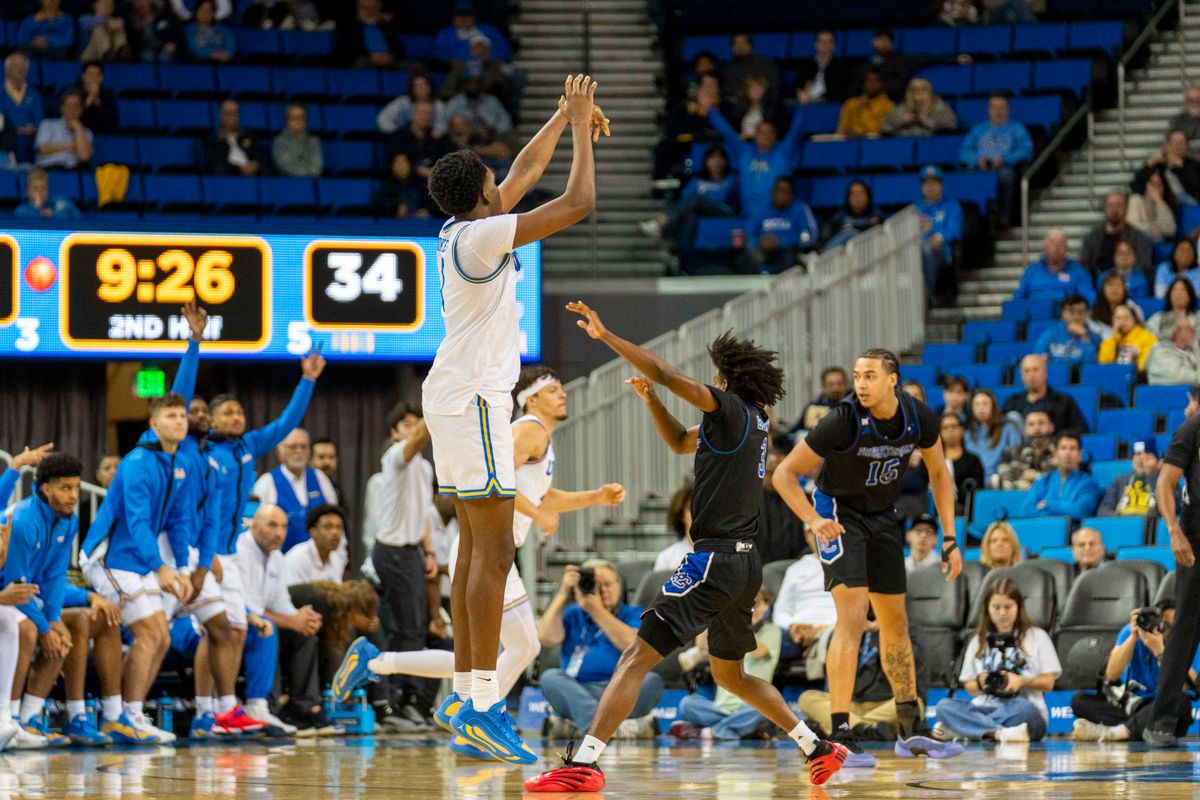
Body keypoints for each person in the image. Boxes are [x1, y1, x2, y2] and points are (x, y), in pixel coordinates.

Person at [525, 307, 846, 792]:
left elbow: (666, 371)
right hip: (743, 565)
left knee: (635, 655)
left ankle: (584, 764)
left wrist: (608, 332)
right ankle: (817, 749)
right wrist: (653, 400)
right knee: (732, 677)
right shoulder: (753, 422)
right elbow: (678, 441)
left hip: (713, 560)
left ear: (726, 377)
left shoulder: (730, 408)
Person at [419, 76, 608, 765]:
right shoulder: (479, 238)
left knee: (478, 550)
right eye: (496, 183)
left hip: (459, 396)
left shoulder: (465, 227)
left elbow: (526, 171)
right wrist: (584, 128)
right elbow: (578, 201)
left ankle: (472, 700)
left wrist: (561, 115)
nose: (508, 184)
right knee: (495, 554)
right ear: (484, 197)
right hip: (473, 398)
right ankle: (480, 704)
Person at [336, 370, 626, 741]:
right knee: (518, 648)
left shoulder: (539, 436)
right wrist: (537, 515)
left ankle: (382, 665)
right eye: (553, 389)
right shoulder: (529, 430)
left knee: (486, 657)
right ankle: (476, 719)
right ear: (531, 399)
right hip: (489, 552)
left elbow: (542, 495)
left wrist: (594, 497)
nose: (563, 394)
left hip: (496, 551)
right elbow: (496, 479)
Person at [772, 348, 964, 766]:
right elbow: (784, 474)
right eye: (857, 375)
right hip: (836, 514)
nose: (860, 383)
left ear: (892, 380)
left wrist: (950, 538)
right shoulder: (841, 419)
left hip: (882, 517)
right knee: (854, 616)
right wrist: (811, 519)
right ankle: (840, 731)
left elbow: (939, 477)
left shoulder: (919, 418)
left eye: (870, 375)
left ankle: (910, 727)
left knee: (896, 623)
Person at [78, 393, 195, 744]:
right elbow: (139, 521)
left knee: (161, 637)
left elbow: (178, 522)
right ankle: (122, 716)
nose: (179, 420)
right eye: (171, 415)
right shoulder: (138, 462)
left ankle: (129, 714)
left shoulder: (178, 463)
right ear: (154, 424)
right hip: (108, 556)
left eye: (182, 415)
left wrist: (184, 568)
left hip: (138, 561)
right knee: (150, 634)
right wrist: (161, 568)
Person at [2, 452, 98, 747]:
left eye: (75, 488)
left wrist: (54, 621)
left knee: (72, 626)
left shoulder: (69, 522)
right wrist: (44, 626)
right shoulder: (22, 522)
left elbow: (55, 576)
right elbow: (15, 585)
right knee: (28, 630)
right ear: (46, 488)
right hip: (9, 596)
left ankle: (31, 717)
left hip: (22, 599)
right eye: (65, 488)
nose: (72, 496)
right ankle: (11, 718)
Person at [535, 560, 663, 740]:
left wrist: (596, 610)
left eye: (608, 584)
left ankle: (585, 728)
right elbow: (546, 637)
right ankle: (609, 728)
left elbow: (632, 644)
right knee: (550, 678)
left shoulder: (633, 613)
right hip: (578, 690)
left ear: (620, 584)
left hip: (621, 690)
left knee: (651, 681)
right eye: (595, 585)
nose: (603, 591)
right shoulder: (573, 613)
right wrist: (563, 593)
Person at [235, 504, 333, 735]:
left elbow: (281, 602)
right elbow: (247, 607)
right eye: (272, 525)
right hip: (240, 622)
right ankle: (269, 706)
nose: (279, 533)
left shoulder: (277, 556)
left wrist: (303, 619)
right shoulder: (241, 550)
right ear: (254, 527)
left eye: (283, 527)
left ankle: (303, 708)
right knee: (269, 629)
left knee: (304, 634)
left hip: (259, 619)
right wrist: (292, 621)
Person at [934, 579, 1061, 742]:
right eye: (996, 607)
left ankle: (966, 730)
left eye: (1008, 607)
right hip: (983, 707)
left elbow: (1048, 683)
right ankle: (997, 733)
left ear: (1019, 607)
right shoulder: (978, 640)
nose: (1002, 613)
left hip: (1020, 708)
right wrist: (981, 682)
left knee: (1025, 709)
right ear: (987, 608)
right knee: (944, 706)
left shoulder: (1037, 636)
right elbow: (970, 687)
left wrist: (1022, 681)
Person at [1145, 396, 1200, 745]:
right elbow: (1164, 483)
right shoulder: (1192, 429)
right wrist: (1175, 531)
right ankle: (1160, 721)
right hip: (1196, 541)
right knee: (1184, 631)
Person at [1073, 599, 1200, 742]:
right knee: (1079, 700)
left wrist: (1161, 652)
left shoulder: (1187, 638)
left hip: (1163, 710)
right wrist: (1133, 637)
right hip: (1133, 705)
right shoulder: (1131, 631)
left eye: (1172, 627)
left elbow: (1186, 685)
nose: (1166, 631)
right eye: (1164, 625)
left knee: (1181, 701)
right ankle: (1134, 729)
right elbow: (1111, 674)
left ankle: (1116, 733)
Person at [671, 586, 780, 740]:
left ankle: (708, 732)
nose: (752, 609)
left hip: (752, 705)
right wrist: (715, 616)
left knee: (763, 709)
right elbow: (701, 644)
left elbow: (757, 652)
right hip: (720, 707)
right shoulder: (729, 628)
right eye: (748, 605)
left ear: (766, 606)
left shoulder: (773, 630)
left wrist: (739, 619)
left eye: (756, 604)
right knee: (687, 703)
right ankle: (735, 730)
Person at [705, 102, 805, 220]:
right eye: (761, 132)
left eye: (769, 132)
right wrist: (710, 110)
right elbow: (727, 132)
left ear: (775, 136)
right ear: (755, 135)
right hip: (748, 218)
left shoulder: (783, 153)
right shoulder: (744, 153)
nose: (765, 136)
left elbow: (796, 130)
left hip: (776, 218)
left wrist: (803, 105)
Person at [252, 428, 338, 554]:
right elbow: (258, 529)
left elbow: (335, 520)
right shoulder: (267, 482)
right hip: (282, 561)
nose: (299, 451)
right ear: (279, 452)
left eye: (303, 447)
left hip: (319, 562)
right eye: (293, 447)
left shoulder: (320, 478)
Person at [959, 93, 1033, 227]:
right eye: (994, 107)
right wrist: (977, 159)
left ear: (1008, 110)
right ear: (989, 110)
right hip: (980, 167)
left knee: (1006, 175)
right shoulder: (978, 129)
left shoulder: (1017, 129)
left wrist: (1005, 159)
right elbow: (964, 152)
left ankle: (1004, 216)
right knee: (968, 173)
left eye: (1002, 107)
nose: (998, 111)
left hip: (1004, 167)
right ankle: (974, 218)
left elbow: (1026, 150)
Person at [639, 145, 738, 245]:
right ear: (706, 161)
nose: (717, 162)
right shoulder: (698, 180)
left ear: (726, 161)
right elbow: (685, 198)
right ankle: (682, 251)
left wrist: (702, 199)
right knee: (689, 215)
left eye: (720, 157)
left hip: (722, 211)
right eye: (712, 158)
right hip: (699, 212)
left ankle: (661, 222)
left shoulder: (731, 180)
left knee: (697, 197)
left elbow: (721, 197)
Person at [773, 528, 839, 666]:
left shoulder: (849, 565)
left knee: (839, 640)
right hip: (797, 634)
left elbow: (853, 608)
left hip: (834, 628)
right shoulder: (796, 569)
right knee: (759, 642)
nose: (822, 536)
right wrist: (793, 626)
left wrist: (822, 629)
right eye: (815, 532)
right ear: (807, 536)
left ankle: (834, 688)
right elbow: (781, 609)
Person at [1020, 432, 1102, 521]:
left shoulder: (1089, 483)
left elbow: (1081, 510)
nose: (1068, 453)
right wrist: (1066, 511)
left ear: (1080, 455)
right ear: (1055, 454)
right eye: (1063, 448)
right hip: (1042, 529)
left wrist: (1048, 504)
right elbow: (1027, 511)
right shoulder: (1043, 481)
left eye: (1072, 448)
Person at [745, 176, 818, 274]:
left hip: (789, 250)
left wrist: (781, 241)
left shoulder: (800, 209)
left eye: (785, 191)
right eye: (778, 190)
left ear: (792, 195)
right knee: (746, 256)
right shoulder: (761, 210)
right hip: (763, 251)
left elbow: (808, 236)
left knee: (788, 257)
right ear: (772, 192)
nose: (781, 194)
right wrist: (760, 241)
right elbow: (748, 233)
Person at [1001, 355, 1090, 434]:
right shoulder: (1012, 402)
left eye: (1035, 370)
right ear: (1021, 376)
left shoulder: (1064, 401)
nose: (1031, 375)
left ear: (1045, 373)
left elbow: (1081, 429)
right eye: (1026, 371)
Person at [916, 165, 963, 303]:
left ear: (941, 184)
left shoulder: (952, 205)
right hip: (917, 250)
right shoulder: (915, 208)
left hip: (942, 251)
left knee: (927, 248)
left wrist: (939, 236)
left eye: (934, 182)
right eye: (926, 182)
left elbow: (954, 230)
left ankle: (929, 296)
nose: (930, 186)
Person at [1080, 189, 1155, 275]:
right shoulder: (1091, 238)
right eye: (1110, 205)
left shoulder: (1139, 238)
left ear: (1126, 209)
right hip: (1097, 283)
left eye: (1119, 205)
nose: (1114, 209)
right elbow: (1084, 266)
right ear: (1105, 208)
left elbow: (1145, 266)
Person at [1010, 230, 1095, 304]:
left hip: (1066, 319)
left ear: (1066, 248)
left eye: (1060, 244)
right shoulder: (1031, 272)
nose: (1056, 247)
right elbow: (1017, 300)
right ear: (1045, 248)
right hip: (1035, 318)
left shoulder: (1079, 272)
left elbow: (1089, 299)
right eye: (1052, 243)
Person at [963, 389, 1021, 483]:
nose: (981, 408)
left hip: (1002, 480)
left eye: (985, 404)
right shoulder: (967, 434)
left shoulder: (1008, 428)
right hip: (976, 481)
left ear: (993, 406)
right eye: (977, 404)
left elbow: (1016, 457)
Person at [284, 504, 348, 586]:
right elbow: (295, 597)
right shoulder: (297, 558)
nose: (335, 532)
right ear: (313, 532)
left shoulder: (337, 558)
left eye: (339, 527)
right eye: (328, 527)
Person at [1098, 440, 1162, 517]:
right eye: (1137, 454)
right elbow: (1103, 510)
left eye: (1147, 455)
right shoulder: (1121, 479)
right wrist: (1122, 521)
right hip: (1122, 523)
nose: (1141, 459)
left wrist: (1151, 474)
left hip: (1150, 526)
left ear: (1156, 460)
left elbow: (1169, 508)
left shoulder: (1165, 481)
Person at [1032, 294, 1102, 364]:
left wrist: (1085, 337)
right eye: (1072, 312)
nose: (1076, 316)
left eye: (1081, 312)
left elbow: (1091, 365)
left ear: (1087, 314)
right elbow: (1037, 361)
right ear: (1062, 314)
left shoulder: (1095, 337)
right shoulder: (1049, 335)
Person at [432, 1, 508, 65]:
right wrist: (465, 54)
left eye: (467, 15)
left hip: (487, 66)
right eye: (459, 15)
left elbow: (504, 47)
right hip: (460, 68)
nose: (463, 19)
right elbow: (438, 52)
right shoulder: (445, 33)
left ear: (474, 17)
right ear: (453, 18)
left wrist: (490, 55)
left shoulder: (488, 29)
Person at [1137, 129, 1200, 205]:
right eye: (1174, 142)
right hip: (1162, 202)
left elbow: (1196, 187)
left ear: (1187, 146)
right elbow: (1136, 187)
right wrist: (1148, 165)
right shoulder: (1157, 165)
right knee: (1135, 199)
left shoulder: (1193, 164)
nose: (1177, 145)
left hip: (1188, 204)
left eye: (1181, 142)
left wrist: (1180, 167)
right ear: (1167, 145)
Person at [444, 69, 513, 138]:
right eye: (470, 81)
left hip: (490, 141)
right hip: (462, 143)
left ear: (482, 83)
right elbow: (444, 127)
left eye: (478, 82)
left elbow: (507, 124)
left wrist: (493, 130)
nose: (474, 85)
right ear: (464, 83)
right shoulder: (454, 103)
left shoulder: (492, 101)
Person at [1, 53, 43, 165]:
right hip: (4, 141)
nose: (20, 69)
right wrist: (16, 130)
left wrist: (33, 129)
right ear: (7, 69)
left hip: (30, 140)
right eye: (15, 66)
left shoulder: (34, 94)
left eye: (23, 66)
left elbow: (40, 122)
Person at [997, 410, 1056, 490]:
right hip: (1018, 498)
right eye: (1031, 424)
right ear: (1025, 430)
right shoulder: (1012, 452)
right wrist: (1018, 485)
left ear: (1051, 427)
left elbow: (1063, 483)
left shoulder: (1060, 452)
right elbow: (1003, 481)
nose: (1036, 427)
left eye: (1041, 423)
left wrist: (1038, 477)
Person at [34, 90, 93, 171]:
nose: (72, 109)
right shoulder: (48, 124)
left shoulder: (86, 132)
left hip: (73, 170)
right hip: (49, 168)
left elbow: (84, 157)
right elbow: (42, 149)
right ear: (62, 108)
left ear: (81, 109)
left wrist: (78, 129)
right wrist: (72, 146)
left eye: (76, 105)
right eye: (68, 105)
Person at [882, 78, 956, 137]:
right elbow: (884, 127)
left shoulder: (939, 105)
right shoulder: (902, 108)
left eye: (923, 89)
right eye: (914, 89)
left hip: (930, 143)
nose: (919, 92)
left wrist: (927, 121)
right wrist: (901, 121)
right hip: (904, 144)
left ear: (929, 90)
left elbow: (952, 125)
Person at [796, 29, 854, 105]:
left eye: (829, 42)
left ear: (834, 45)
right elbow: (798, 85)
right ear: (816, 44)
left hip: (826, 102)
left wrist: (816, 97)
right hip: (804, 101)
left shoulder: (841, 66)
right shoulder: (806, 65)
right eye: (822, 42)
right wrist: (799, 92)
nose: (826, 45)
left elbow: (839, 91)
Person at [720, 33, 780, 106]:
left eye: (743, 43)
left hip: (763, 109)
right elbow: (724, 94)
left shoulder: (765, 65)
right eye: (735, 43)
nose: (739, 47)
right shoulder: (726, 70)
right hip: (734, 110)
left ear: (751, 46)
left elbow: (774, 91)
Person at [378, 74, 447, 137]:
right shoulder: (402, 102)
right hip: (404, 139)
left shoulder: (438, 105)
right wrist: (397, 134)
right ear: (412, 89)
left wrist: (437, 133)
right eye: (416, 85)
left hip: (430, 140)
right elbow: (383, 119)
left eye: (424, 85)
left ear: (430, 87)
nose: (420, 88)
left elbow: (443, 124)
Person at [821, 180, 883, 249]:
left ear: (868, 196)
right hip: (844, 255)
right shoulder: (840, 216)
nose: (857, 197)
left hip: (871, 252)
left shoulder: (875, 214)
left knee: (853, 233)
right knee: (850, 234)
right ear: (848, 197)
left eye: (861, 193)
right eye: (853, 193)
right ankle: (822, 255)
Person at [856, 29, 913, 103]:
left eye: (887, 40)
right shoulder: (863, 65)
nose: (883, 43)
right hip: (865, 104)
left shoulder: (900, 63)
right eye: (880, 39)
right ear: (873, 41)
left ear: (891, 44)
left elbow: (899, 86)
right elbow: (856, 87)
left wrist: (878, 88)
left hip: (890, 103)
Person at [336, 0, 397, 68]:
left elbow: (399, 49)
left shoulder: (385, 27)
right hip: (366, 60)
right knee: (361, 62)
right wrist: (370, 57)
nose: (370, 12)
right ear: (358, 9)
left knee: (409, 65)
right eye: (365, 8)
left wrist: (392, 57)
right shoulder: (352, 29)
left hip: (389, 61)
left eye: (373, 7)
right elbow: (348, 51)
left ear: (379, 8)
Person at [1095, 247, 1149, 323]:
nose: (1114, 289)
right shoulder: (1095, 311)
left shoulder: (1134, 309)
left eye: (1118, 285)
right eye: (1110, 285)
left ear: (1125, 289)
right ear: (1103, 289)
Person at [837, 68, 894, 138]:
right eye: (868, 80)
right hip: (850, 143)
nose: (872, 84)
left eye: (876, 80)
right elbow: (842, 129)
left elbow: (880, 131)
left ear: (882, 83)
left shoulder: (888, 105)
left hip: (875, 144)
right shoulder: (850, 103)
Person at [1099, 303, 1157, 371]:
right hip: (1113, 375)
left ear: (1134, 319)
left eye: (1126, 317)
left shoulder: (1147, 337)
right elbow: (1104, 362)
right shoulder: (1111, 339)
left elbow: (1145, 366)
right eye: (1118, 318)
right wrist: (1113, 337)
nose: (1122, 321)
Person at [1145, 313, 1200, 385]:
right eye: (1188, 328)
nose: (1193, 330)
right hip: (1171, 395)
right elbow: (1187, 379)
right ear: (1175, 333)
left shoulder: (1190, 348)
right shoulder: (1160, 354)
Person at [791, 367, 849, 434]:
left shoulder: (853, 407)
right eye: (831, 385)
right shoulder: (812, 407)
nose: (836, 388)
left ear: (846, 384)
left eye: (840, 384)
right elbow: (795, 431)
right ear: (823, 386)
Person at [1128, 167, 1178, 243]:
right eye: (1152, 183)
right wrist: (1155, 229)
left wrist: (1159, 201)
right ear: (1145, 184)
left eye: (1159, 183)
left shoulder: (1166, 203)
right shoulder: (1136, 199)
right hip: (1140, 243)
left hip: (1159, 244)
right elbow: (1133, 226)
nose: (1155, 187)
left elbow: (1170, 230)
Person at [271, 103, 323, 178]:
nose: (298, 121)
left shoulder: (314, 141)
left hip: (311, 181)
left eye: (301, 118)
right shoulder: (279, 141)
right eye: (294, 118)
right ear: (287, 120)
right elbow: (285, 165)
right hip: (288, 183)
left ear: (306, 120)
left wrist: (309, 175)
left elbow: (317, 166)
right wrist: (306, 174)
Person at [654, 483, 693, 571]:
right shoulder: (667, 558)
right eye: (690, 509)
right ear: (681, 515)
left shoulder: (719, 555)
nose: (696, 513)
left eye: (699, 508)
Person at [14, 167, 80, 219]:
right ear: (28, 191)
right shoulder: (21, 211)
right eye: (36, 188)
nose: (40, 191)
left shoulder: (61, 201)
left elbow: (78, 217)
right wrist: (37, 208)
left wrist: (54, 215)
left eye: (43, 187)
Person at [77, 62, 119, 136]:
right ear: (83, 76)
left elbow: (111, 124)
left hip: (104, 136)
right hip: (77, 135)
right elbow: (73, 119)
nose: (94, 78)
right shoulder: (73, 93)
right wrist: (88, 102)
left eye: (97, 74)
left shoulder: (108, 95)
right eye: (90, 74)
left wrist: (97, 101)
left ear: (102, 77)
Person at [309, 437, 343, 503]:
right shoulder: (303, 486)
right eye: (321, 457)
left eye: (331, 457)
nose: (327, 462)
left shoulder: (336, 489)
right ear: (310, 460)